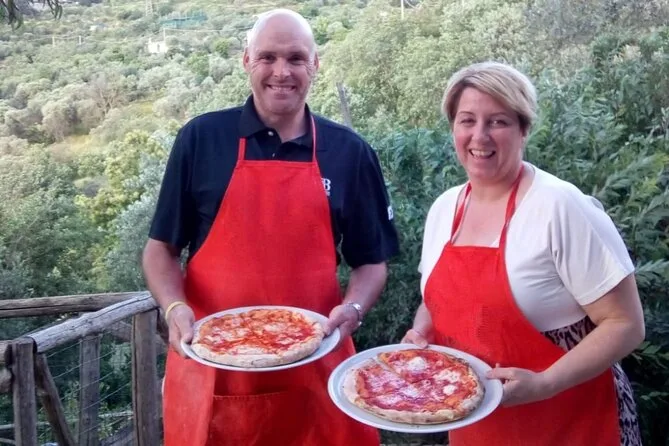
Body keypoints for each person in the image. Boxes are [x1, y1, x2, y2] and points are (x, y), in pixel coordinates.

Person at [142, 9, 398, 446]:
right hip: (213, 368)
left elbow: (371, 263)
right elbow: (160, 249)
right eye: (267, 57)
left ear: (315, 64)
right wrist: (173, 307)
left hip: (317, 368)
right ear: (247, 60)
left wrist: (353, 309)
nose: (282, 72)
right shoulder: (201, 138)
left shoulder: (350, 152)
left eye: (296, 58)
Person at [402, 61, 644, 445]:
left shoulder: (559, 206)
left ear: (524, 129)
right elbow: (439, 300)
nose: (479, 136)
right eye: (467, 121)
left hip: (572, 421)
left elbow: (626, 324)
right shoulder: (444, 209)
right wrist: (421, 333)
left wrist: (545, 384)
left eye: (498, 121)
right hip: (475, 423)